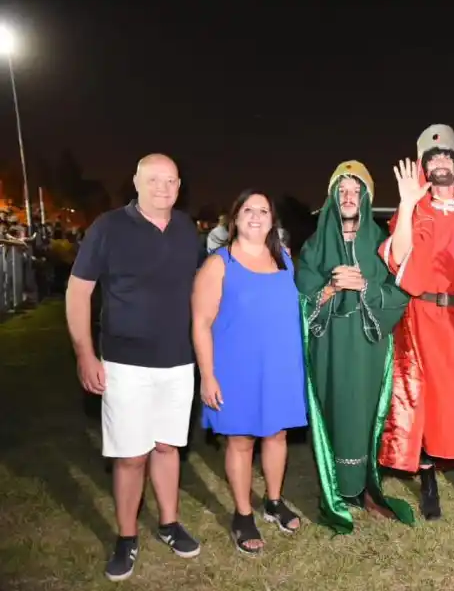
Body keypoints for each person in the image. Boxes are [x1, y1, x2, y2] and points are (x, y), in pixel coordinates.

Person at [65, 154, 201, 582]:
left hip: (179, 362)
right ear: (136, 183)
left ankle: (169, 523)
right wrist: (85, 353)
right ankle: (126, 537)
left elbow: (201, 290)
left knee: (167, 447)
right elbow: (78, 292)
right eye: (153, 179)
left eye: (171, 180)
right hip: (125, 363)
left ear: (179, 186)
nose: (163, 187)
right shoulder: (107, 227)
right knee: (130, 455)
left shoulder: (186, 229)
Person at [378, 124, 454, 519]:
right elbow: (398, 257)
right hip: (423, 317)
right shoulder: (416, 209)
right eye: (432, 158)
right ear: (424, 168)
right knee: (425, 400)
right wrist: (407, 204)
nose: (440, 162)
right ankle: (428, 479)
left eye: (447, 156)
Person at [296, 160, 415, 533]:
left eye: (356, 191)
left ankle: (366, 489)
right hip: (329, 344)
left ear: (365, 198)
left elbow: (400, 291)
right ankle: (334, 489)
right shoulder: (315, 244)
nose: (349, 197)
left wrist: (365, 286)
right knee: (333, 408)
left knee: (365, 412)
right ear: (333, 197)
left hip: (367, 343)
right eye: (342, 191)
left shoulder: (381, 243)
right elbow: (301, 296)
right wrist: (331, 288)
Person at [192, 189, 307, 555]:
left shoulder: (284, 259)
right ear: (235, 218)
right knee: (241, 441)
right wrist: (208, 375)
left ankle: (273, 502)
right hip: (235, 368)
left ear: (272, 220)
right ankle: (243, 514)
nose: (255, 216)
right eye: (247, 210)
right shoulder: (219, 263)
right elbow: (200, 322)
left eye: (263, 211)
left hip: (280, 366)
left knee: (277, 435)